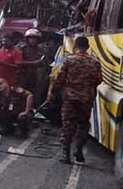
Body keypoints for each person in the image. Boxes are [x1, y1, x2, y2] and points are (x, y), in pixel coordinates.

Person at [50, 36, 102, 164]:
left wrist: (53, 91)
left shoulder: (69, 60)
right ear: (88, 47)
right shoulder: (95, 62)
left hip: (70, 97)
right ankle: (78, 150)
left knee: (68, 123)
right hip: (86, 98)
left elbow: (60, 78)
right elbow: (99, 79)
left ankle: (65, 154)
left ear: (75, 46)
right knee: (83, 124)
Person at [19, 29, 48, 108]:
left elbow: (44, 63)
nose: (32, 40)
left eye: (34, 38)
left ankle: (35, 105)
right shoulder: (22, 49)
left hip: (36, 77)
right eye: (31, 38)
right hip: (24, 74)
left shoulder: (42, 50)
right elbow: (19, 62)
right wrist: (33, 63)